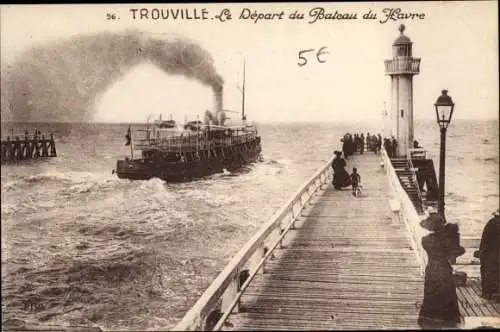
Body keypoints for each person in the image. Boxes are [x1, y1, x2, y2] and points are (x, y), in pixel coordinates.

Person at [418, 213, 465, 328]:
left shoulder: (425, 240)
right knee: (447, 293)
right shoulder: (447, 240)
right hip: (444, 268)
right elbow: (459, 251)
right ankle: (447, 319)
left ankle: (430, 318)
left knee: (431, 293)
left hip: (432, 268)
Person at [474, 209, 500, 301]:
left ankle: (488, 293)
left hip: (489, 253)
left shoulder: (491, 223)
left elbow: (485, 241)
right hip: (491, 253)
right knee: (491, 273)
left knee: (488, 273)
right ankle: (490, 293)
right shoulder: (493, 224)